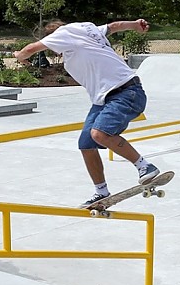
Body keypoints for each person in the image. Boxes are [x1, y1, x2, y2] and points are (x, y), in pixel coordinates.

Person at [14, 18, 161, 208]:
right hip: (106, 97)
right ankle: (101, 192)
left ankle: (144, 165)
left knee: (99, 134)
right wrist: (135, 24)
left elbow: (31, 49)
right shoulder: (87, 29)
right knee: (86, 143)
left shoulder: (64, 34)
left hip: (125, 92)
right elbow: (114, 26)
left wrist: (20, 56)